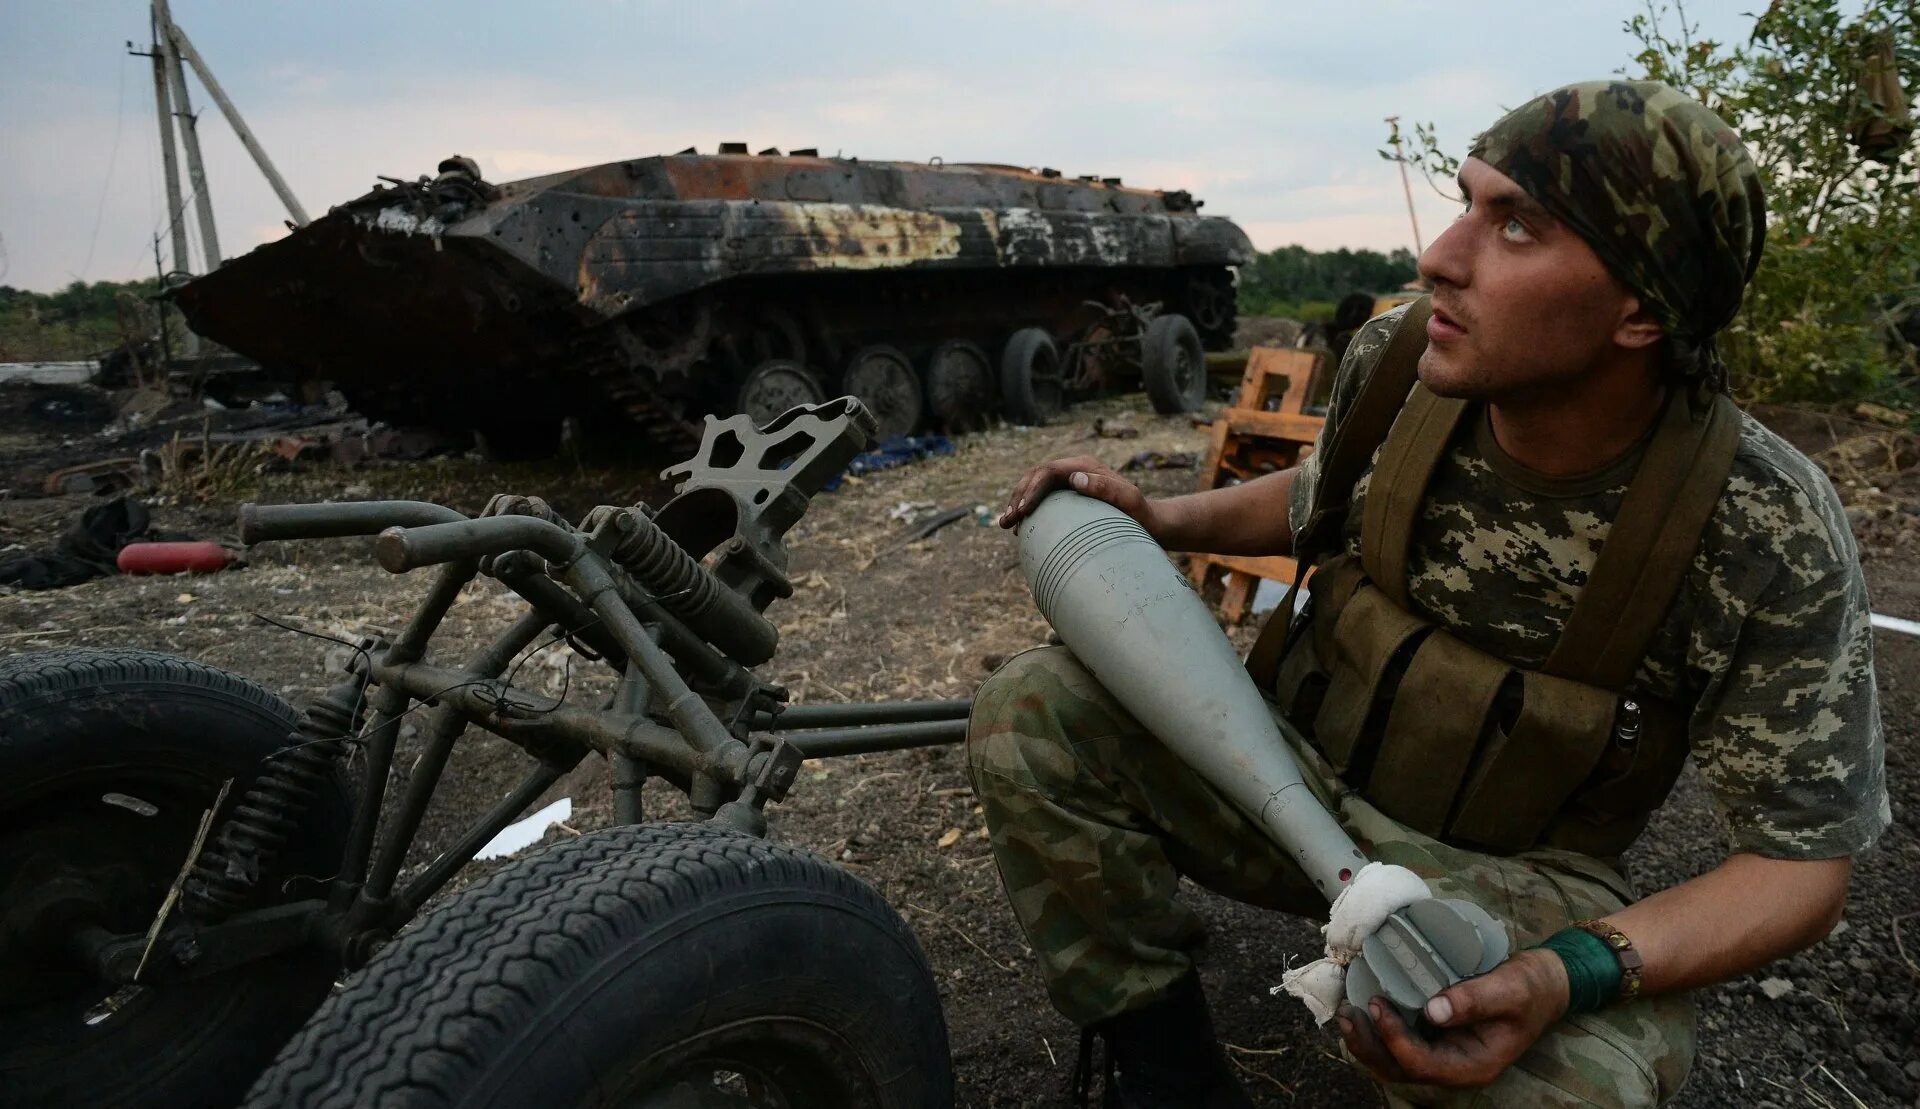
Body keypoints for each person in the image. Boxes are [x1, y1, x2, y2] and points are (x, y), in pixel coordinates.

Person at [969, 79, 1890, 1108]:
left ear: (1641, 308)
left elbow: (1799, 866)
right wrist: (1166, 517)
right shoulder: (1406, 360)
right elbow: (1327, 503)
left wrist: (1563, 972)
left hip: (1514, 885)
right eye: (1468, 201)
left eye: (1519, 226)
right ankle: (1167, 1066)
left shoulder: (1760, 523)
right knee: (1033, 712)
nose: (1442, 256)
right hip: (1294, 784)